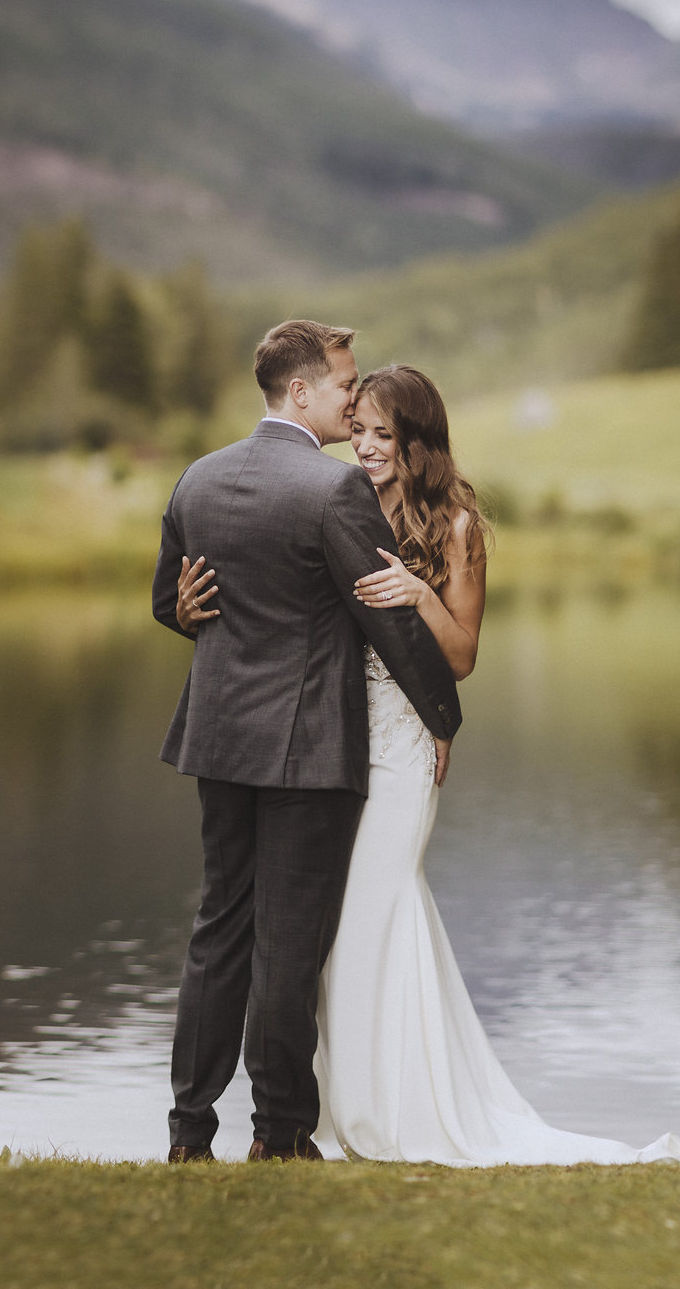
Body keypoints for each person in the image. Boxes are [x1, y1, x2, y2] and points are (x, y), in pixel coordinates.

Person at [175, 361, 680, 1166]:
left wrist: (420, 605)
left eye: (384, 435)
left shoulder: (456, 528)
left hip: (398, 747)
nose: (366, 446)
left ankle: (390, 1110)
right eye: (359, 430)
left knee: (374, 912)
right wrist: (183, 608)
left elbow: (461, 656)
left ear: (419, 442)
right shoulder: (335, 498)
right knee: (320, 936)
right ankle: (321, 1112)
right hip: (328, 737)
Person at [152, 320, 461, 1162]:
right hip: (307, 747)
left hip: (219, 741)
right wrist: (442, 717)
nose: (353, 402)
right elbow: (386, 619)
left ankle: (188, 1132)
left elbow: (170, 601)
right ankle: (280, 1131)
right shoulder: (334, 490)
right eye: (344, 386)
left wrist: (184, 615)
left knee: (219, 930)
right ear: (301, 391)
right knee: (287, 943)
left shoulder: (198, 477)